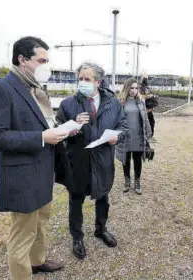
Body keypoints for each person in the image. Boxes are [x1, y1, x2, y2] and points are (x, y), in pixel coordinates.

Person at [0, 37, 65, 280]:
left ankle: (37, 262)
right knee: (22, 234)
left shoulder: (36, 90)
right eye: (42, 61)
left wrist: (61, 130)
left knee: (41, 224)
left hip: (42, 172)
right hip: (22, 177)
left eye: (47, 61)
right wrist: (41, 137)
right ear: (22, 60)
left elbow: (44, 125)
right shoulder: (1, 89)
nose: (45, 66)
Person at [56, 62, 128, 260]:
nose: (82, 82)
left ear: (98, 81)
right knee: (75, 201)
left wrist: (118, 137)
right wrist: (71, 127)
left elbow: (123, 127)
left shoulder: (113, 103)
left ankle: (101, 229)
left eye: (87, 79)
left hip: (103, 160)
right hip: (77, 161)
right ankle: (77, 237)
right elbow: (58, 130)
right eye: (80, 78)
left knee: (103, 197)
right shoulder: (68, 104)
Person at [116, 78, 152, 195]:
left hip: (138, 136)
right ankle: (127, 181)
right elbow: (117, 120)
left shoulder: (140, 100)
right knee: (125, 160)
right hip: (125, 136)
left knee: (137, 160)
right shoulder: (121, 101)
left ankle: (137, 182)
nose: (134, 90)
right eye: (132, 88)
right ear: (127, 88)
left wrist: (148, 133)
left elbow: (145, 118)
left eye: (136, 88)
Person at [139, 76, 159, 141]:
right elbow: (141, 96)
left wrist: (154, 97)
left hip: (149, 109)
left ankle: (150, 136)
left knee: (152, 122)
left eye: (146, 78)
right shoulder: (139, 88)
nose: (145, 80)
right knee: (143, 124)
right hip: (143, 109)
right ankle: (144, 137)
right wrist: (150, 96)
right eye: (143, 78)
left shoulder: (147, 87)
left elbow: (150, 95)